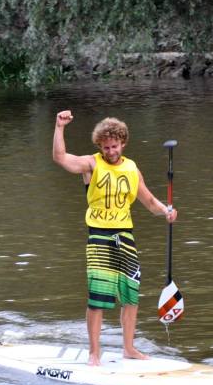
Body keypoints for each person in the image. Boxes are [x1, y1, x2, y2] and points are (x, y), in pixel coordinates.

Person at [52, 110, 178, 366]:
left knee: (131, 296)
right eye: (106, 147)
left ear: (123, 143)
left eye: (115, 146)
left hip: (126, 238)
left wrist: (167, 211)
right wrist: (59, 127)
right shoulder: (91, 164)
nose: (111, 151)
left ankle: (129, 348)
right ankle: (94, 353)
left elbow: (150, 202)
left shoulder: (132, 169)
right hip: (99, 237)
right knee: (98, 298)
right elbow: (60, 157)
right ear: (100, 145)